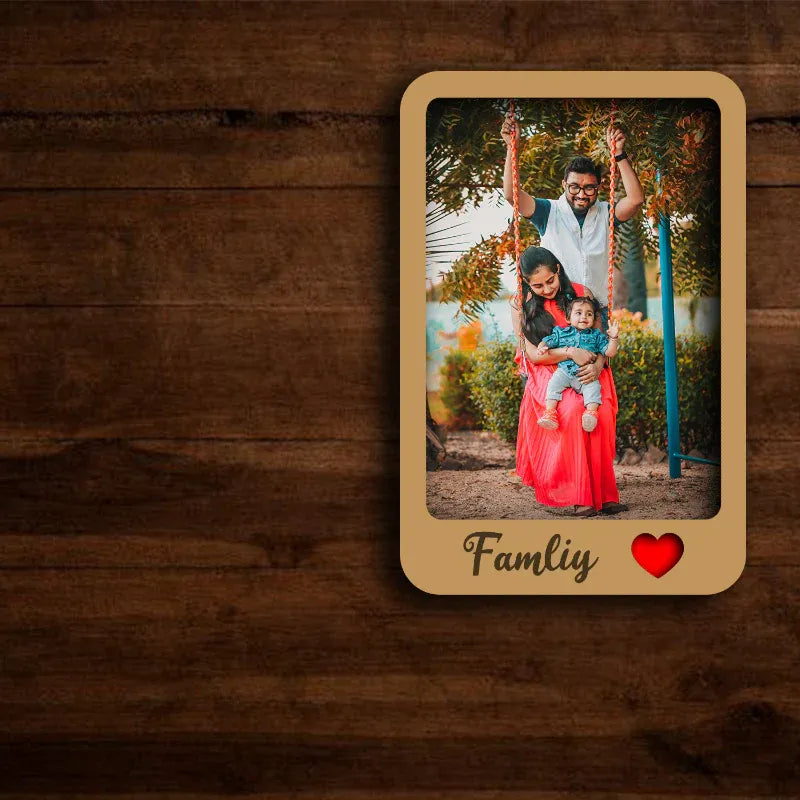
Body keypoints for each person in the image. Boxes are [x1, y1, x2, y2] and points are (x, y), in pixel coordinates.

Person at [511, 246, 627, 516]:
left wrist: (598, 365)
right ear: (527, 282)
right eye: (537, 285)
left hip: (589, 368)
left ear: (558, 271)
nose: (547, 289)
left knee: (601, 411)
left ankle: (604, 494)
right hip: (549, 370)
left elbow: (600, 341)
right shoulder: (521, 304)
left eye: (550, 280)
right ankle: (575, 494)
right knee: (571, 411)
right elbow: (532, 355)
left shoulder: (580, 293)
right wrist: (569, 353)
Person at [501, 115, 645, 329]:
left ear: (598, 187)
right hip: (556, 310)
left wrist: (618, 154)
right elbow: (512, 195)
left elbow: (635, 199)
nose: (581, 194)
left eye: (589, 188)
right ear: (564, 184)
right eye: (574, 186)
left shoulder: (606, 213)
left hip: (595, 311)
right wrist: (513, 148)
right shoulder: (548, 211)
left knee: (596, 363)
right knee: (561, 361)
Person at [536, 296, 619, 433]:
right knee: (553, 385)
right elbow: (547, 341)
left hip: (585, 374)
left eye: (589, 314)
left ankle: (590, 414)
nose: (584, 317)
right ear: (568, 318)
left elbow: (609, 352)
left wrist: (613, 338)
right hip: (564, 371)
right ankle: (550, 413)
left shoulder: (597, 336)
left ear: (593, 319)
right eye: (578, 313)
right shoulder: (561, 332)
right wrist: (542, 346)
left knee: (593, 389)